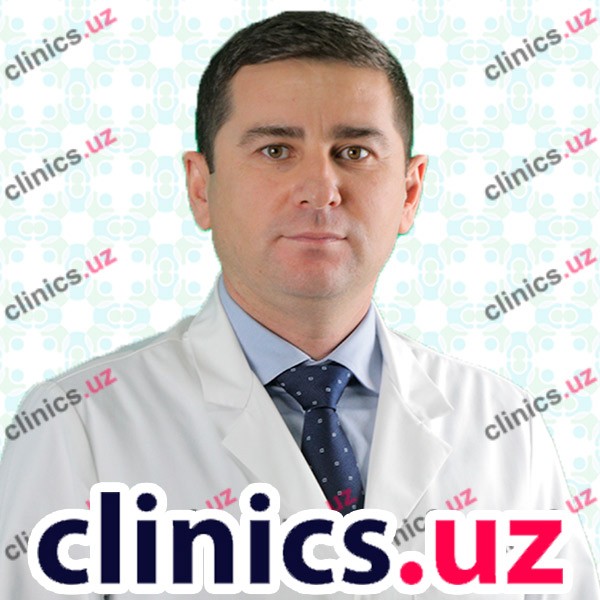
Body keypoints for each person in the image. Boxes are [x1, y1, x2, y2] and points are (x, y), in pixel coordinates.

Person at [0, 10, 598, 599]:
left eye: (354, 152)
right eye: (275, 150)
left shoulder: (502, 424)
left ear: (410, 191)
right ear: (201, 187)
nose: (320, 190)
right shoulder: (77, 422)